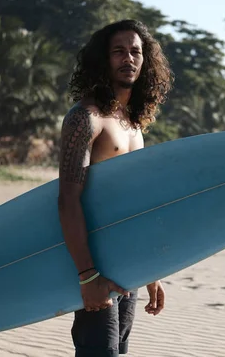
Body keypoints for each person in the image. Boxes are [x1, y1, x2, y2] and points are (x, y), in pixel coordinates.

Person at [57, 19, 174, 357]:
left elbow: (136, 204)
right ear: (103, 59)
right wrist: (86, 275)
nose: (128, 59)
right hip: (97, 267)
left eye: (135, 52)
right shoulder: (86, 118)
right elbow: (67, 201)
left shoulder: (133, 125)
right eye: (118, 51)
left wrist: (150, 272)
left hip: (129, 266)